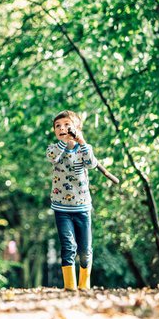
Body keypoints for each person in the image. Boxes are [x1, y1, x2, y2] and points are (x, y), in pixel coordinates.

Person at [46, 110, 98, 291]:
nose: (62, 128)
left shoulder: (84, 149)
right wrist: (65, 143)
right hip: (62, 208)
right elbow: (53, 158)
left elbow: (92, 163)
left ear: (77, 128)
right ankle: (70, 286)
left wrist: (81, 141)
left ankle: (84, 285)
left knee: (85, 249)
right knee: (68, 246)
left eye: (67, 125)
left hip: (82, 207)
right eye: (58, 126)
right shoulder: (54, 149)